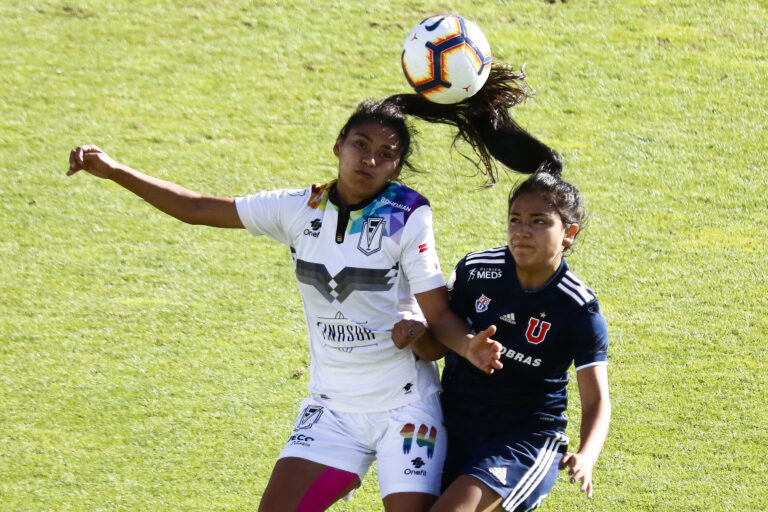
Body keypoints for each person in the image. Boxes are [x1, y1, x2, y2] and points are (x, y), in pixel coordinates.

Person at [66, 66, 560, 511]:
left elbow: (437, 313)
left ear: (397, 169)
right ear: (338, 147)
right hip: (332, 409)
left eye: (386, 155)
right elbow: (198, 208)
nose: (370, 160)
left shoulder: (408, 215)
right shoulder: (298, 209)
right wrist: (113, 171)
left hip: (406, 412)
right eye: (360, 145)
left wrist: (467, 347)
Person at [395, 171, 611, 512]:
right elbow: (436, 343)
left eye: (539, 221)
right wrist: (417, 335)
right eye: (515, 219)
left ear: (569, 233)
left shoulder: (578, 307)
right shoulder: (476, 271)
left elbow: (597, 401)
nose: (522, 230)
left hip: (523, 439)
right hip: (454, 424)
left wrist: (587, 455)